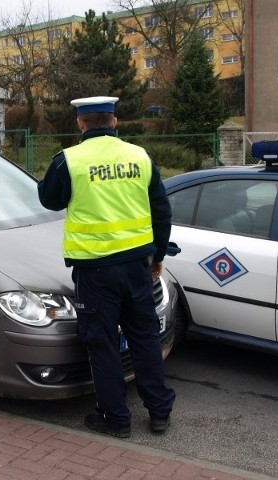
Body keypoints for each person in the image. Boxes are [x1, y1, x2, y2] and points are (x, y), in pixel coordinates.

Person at [37, 96, 175, 439]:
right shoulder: (139, 157)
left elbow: (48, 200)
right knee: (145, 337)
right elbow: (162, 210)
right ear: (114, 121)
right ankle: (159, 412)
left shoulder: (69, 161)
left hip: (95, 271)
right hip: (137, 267)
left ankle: (115, 418)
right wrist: (157, 256)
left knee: (102, 343)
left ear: (81, 124)